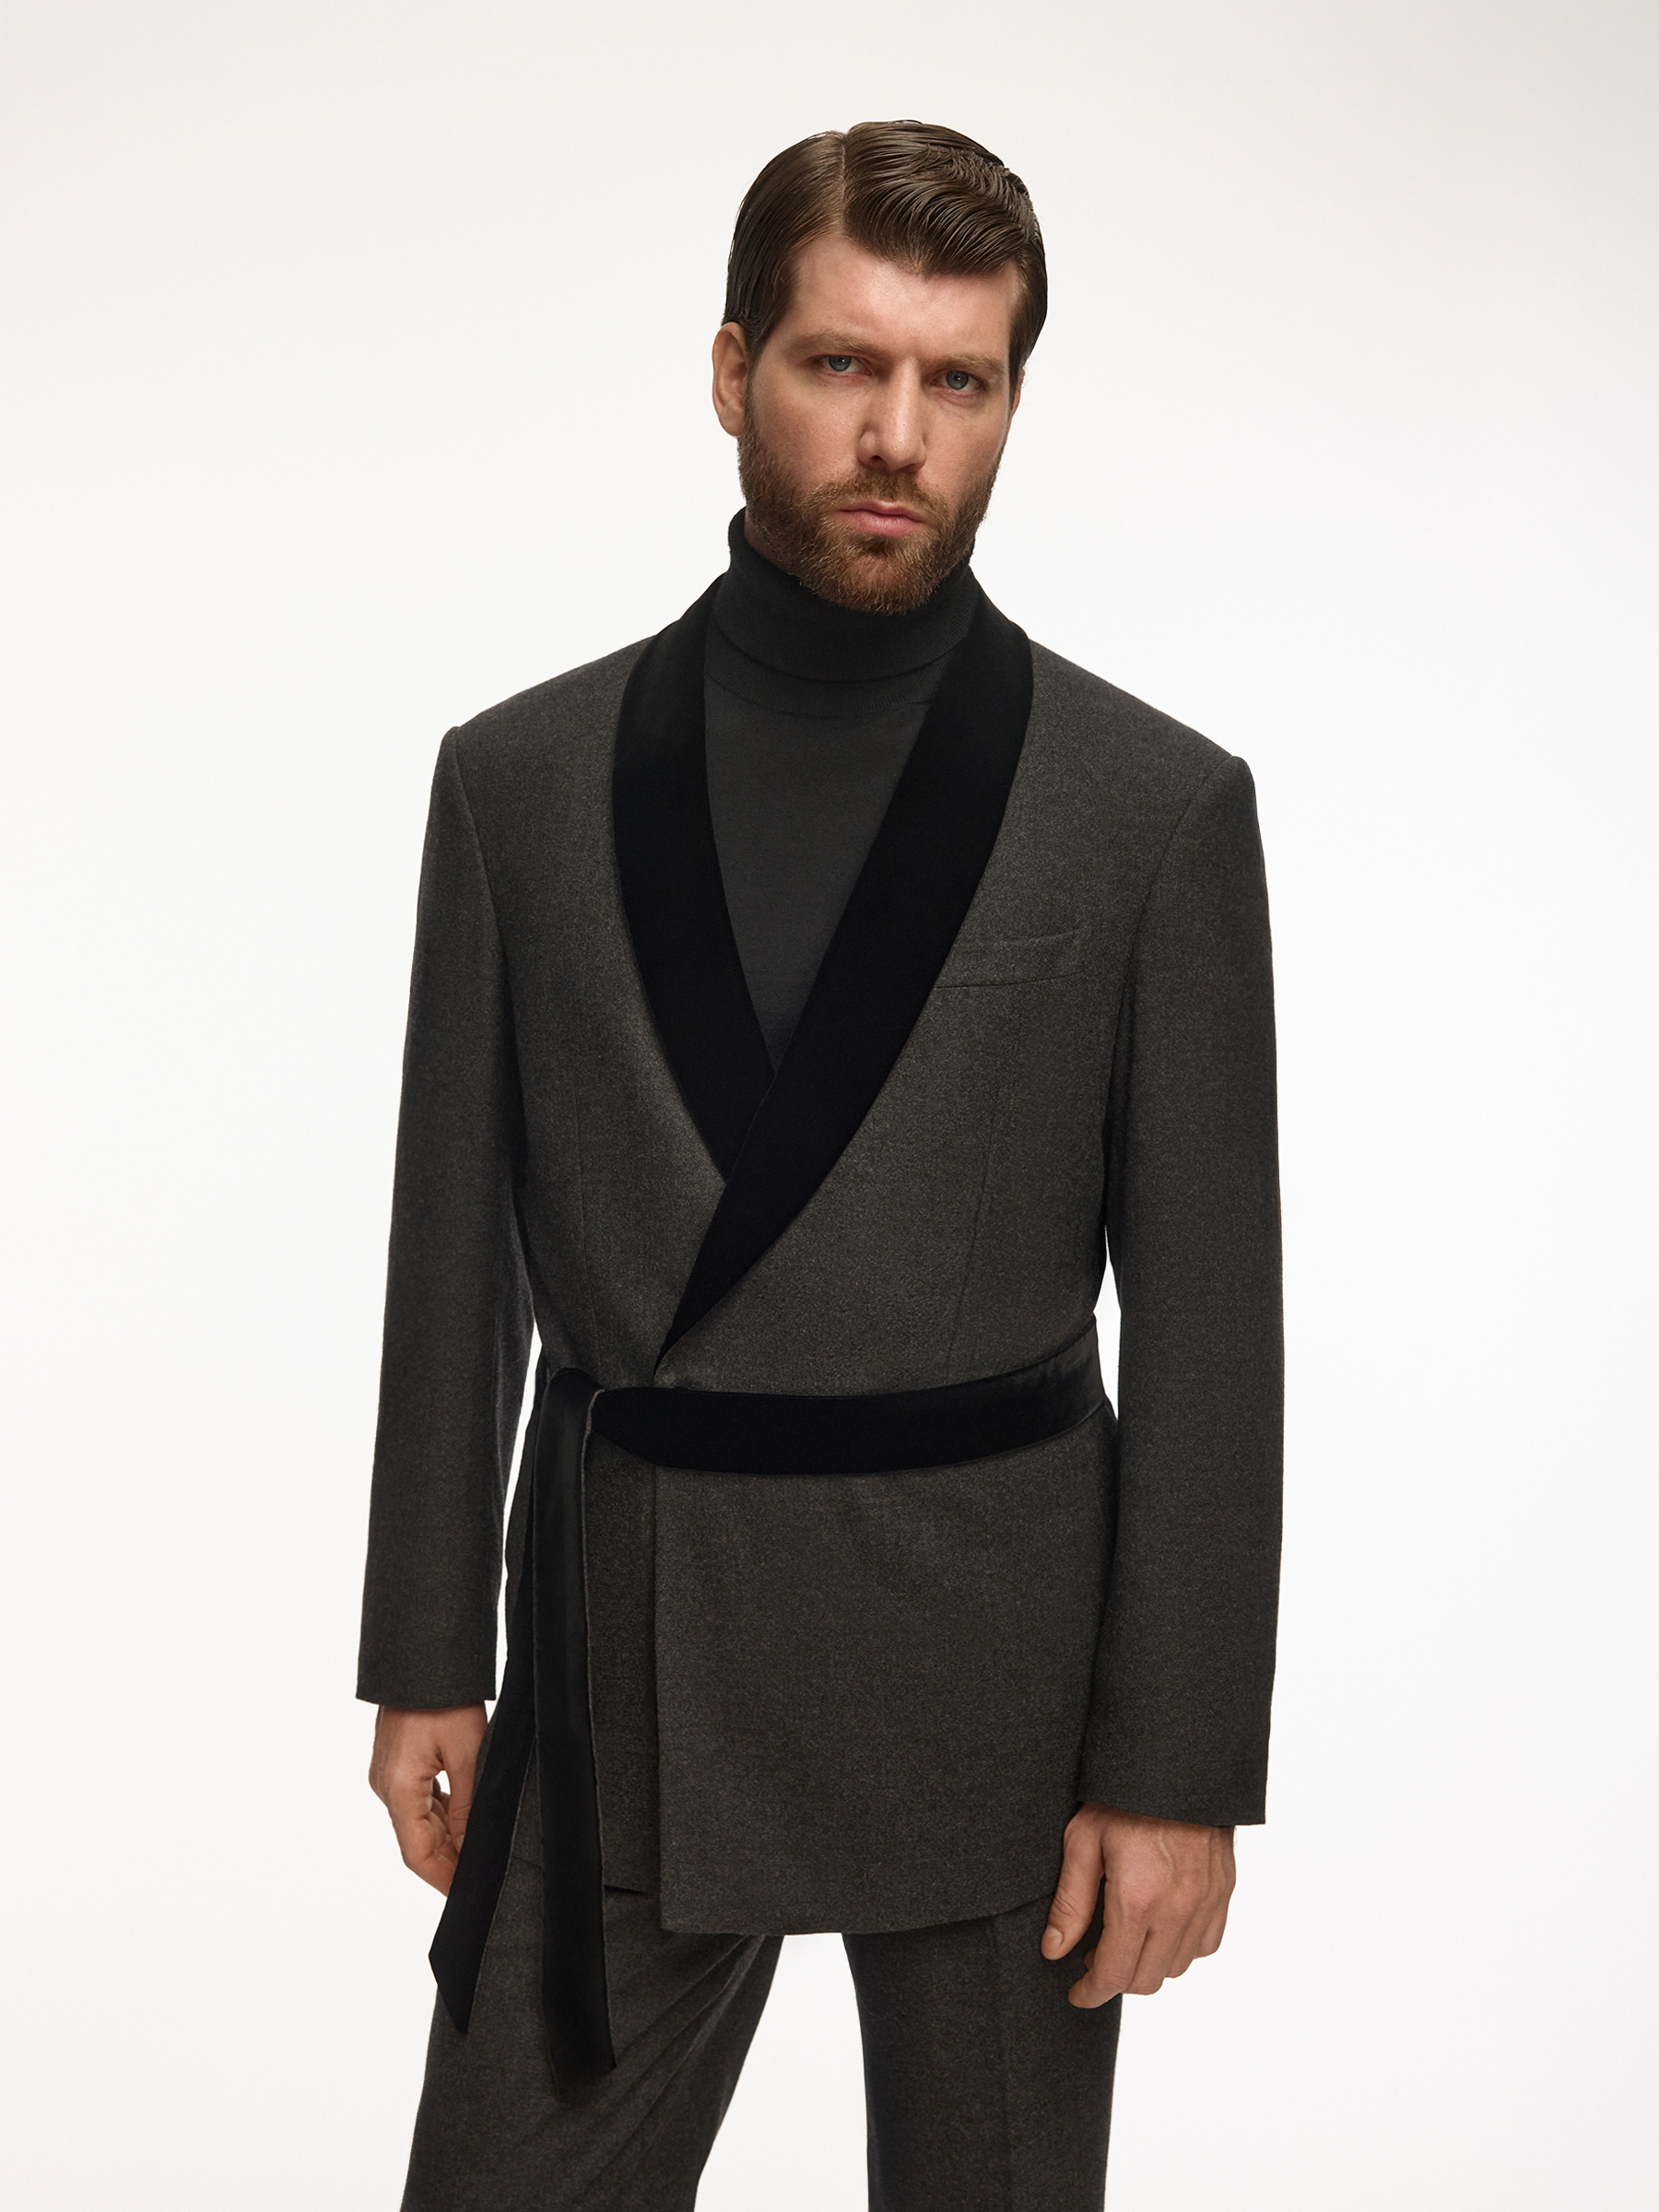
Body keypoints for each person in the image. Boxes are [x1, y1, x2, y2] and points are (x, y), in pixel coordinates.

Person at [359, 118, 1282, 2212]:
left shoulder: (1152, 809)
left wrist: (1178, 1764)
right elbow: (450, 1253)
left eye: (961, 380)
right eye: (842, 363)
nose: (898, 435)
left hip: (1007, 1687)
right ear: (731, 369)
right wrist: (427, 1646)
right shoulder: (517, 784)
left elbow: (1215, 1330)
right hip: (628, 1649)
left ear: (1013, 399)